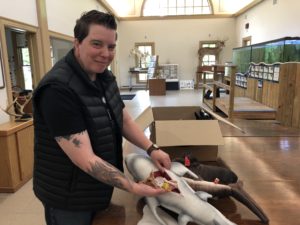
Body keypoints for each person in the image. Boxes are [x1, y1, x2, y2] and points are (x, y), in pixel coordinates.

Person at [32, 10, 171, 225]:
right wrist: (132, 187)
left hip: (96, 188)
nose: (105, 54)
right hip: (68, 198)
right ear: (77, 43)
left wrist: (152, 148)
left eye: (111, 46)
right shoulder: (58, 90)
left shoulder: (104, 77)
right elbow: (85, 158)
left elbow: (123, 120)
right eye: (96, 44)